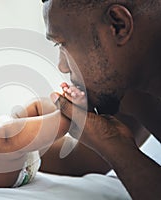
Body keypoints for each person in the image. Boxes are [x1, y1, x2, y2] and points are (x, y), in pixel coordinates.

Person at [40, 1, 161, 200]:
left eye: (63, 44)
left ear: (118, 25)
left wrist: (113, 144)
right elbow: (88, 160)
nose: (62, 66)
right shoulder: (130, 83)